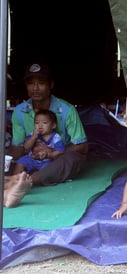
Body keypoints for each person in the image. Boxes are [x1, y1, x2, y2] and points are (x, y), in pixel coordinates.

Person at [3, 63, 88, 208]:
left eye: (41, 83)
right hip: (31, 158)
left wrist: (52, 153)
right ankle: (13, 181)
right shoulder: (19, 112)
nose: (35, 88)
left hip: (57, 159)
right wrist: (9, 161)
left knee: (72, 159)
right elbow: (17, 147)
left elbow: (83, 146)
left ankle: (21, 181)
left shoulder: (66, 110)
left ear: (51, 85)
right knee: (8, 156)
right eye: (30, 83)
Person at [13, 109, 65, 174]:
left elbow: (59, 152)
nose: (40, 126)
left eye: (44, 123)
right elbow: (26, 147)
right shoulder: (33, 134)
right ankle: (15, 179)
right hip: (32, 158)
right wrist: (33, 137)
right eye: (37, 123)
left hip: (47, 160)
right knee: (20, 162)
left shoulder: (56, 137)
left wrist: (49, 155)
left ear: (53, 125)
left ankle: (39, 178)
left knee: (51, 169)